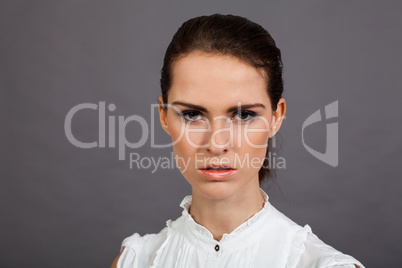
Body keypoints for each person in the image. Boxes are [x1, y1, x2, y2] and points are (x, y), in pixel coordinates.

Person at [111, 14, 365, 268]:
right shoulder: (134, 261)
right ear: (164, 116)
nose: (216, 143)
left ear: (276, 117)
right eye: (192, 114)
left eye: (244, 115)